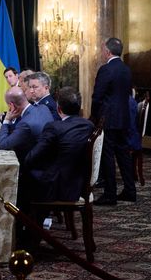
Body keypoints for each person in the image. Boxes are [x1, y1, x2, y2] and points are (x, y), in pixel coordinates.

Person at [18, 87, 95, 246]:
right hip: (79, 183)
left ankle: (27, 236)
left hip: (59, 186)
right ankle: (31, 230)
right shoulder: (89, 125)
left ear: (59, 109)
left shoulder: (54, 127)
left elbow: (31, 158)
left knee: (23, 178)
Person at [91, 38, 136, 205]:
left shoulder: (106, 69)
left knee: (107, 156)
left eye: (104, 50)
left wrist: (94, 116)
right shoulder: (126, 69)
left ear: (107, 51)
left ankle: (110, 194)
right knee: (123, 154)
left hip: (108, 119)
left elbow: (97, 96)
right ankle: (130, 191)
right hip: (124, 118)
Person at [0, 86, 53, 162]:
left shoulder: (25, 124)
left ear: (11, 105)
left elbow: (2, 144)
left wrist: (7, 120)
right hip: (49, 160)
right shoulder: (44, 108)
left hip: (32, 164)